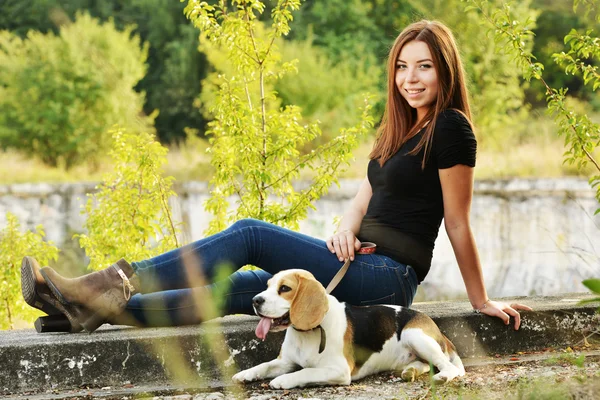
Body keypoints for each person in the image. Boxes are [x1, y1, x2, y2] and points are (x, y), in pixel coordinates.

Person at [21, 20, 531, 334]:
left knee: (251, 234)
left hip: (390, 276)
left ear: (445, 70)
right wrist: (345, 230)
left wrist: (480, 301)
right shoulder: (400, 129)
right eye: (402, 67)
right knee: (244, 288)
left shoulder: (451, 129)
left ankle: (97, 287)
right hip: (355, 262)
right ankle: (93, 312)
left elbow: (459, 223)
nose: (410, 79)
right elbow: (363, 198)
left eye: (423, 67)